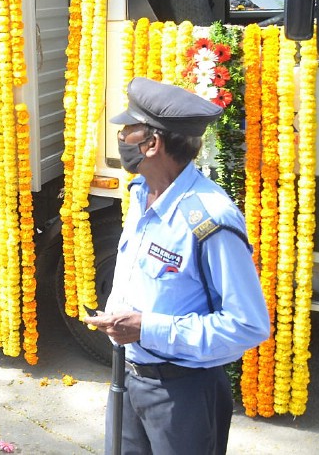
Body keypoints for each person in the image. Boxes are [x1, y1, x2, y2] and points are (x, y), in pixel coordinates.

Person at [85, 77, 270, 455]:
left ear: (152, 143)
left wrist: (148, 328)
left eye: (129, 129)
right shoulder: (141, 193)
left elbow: (248, 325)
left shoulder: (208, 219)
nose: (121, 136)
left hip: (182, 391)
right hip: (128, 376)